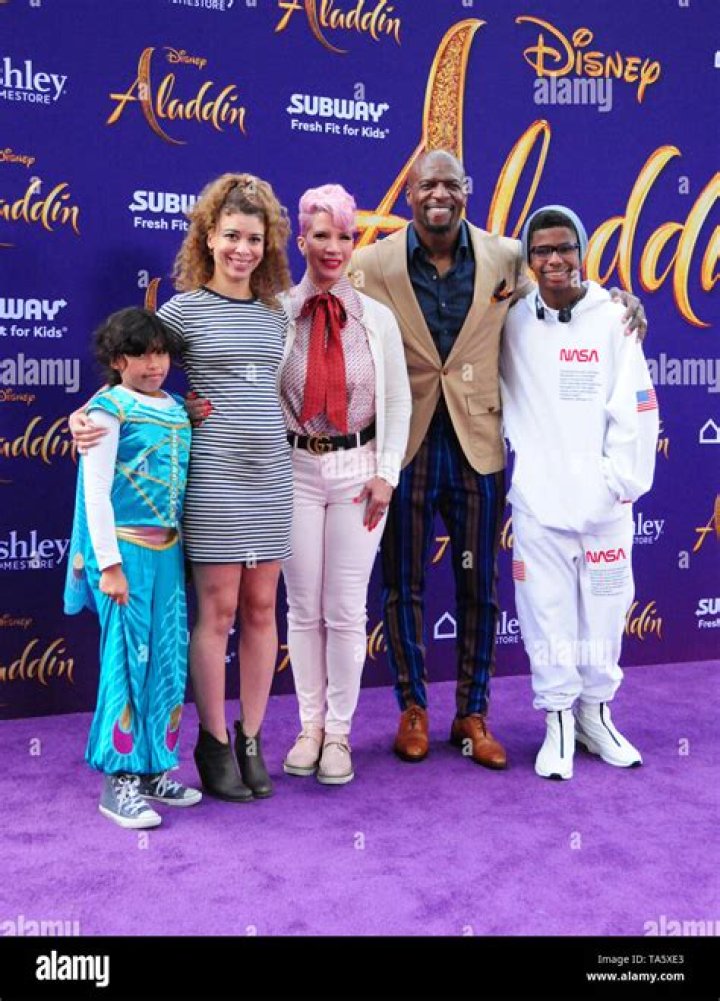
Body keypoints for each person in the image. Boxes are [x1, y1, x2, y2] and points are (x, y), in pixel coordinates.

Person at [349, 149, 647, 769]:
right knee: (402, 583)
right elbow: (328, 310)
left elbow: (567, 289)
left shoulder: (508, 256)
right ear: (410, 193)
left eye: (450, 184)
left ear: (467, 189)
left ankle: (473, 712)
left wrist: (619, 300)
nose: (439, 194)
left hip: (477, 444)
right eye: (427, 185)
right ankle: (413, 708)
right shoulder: (372, 263)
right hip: (405, 444)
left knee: (479, 585)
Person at [70, 174, 293, 803]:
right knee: (217, 613)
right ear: (208, 237)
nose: (242, 249)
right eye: (232, 236)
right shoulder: (182, 311)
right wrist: (83, 415)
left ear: (269, 245)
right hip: (214, 478)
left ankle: (252, 739)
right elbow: (129, 380)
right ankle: (213, 742)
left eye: (254, 239)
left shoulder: (277, 312)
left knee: (262, 610)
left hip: (272, 477)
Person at [500, 205, 658, 780]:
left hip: (605, 509)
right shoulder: (512, 321)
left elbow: (637, 409)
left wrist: (617, 485)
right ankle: (559, 720)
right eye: (541, 250)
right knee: (546, 618)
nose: (554, 259)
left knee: (606, 616)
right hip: (538, 507)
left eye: (564, 247)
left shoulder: (614, 317)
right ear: (529, 259)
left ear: (582, 251)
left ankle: (596, 715)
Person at [279, 184, 411, 784]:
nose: (334, 247)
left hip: (359, 472)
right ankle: (308, 727)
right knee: (303, 607)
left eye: (345, 236)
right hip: (295, 472)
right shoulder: (279, 312)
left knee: (345, 608)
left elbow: (398, 401)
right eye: (322, 235)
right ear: (301, 240)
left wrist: (387, 472)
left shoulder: (376, 318)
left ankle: (339, 733)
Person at [64, 307, 201, 828]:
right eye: (141, 355)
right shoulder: (106, 411)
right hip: (125, 552)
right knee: (125, 661)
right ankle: (117, 782)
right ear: (118, 360)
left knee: (167, 659)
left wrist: (196, 411)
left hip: (169, 554)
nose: (154, 364)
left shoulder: (175, 406)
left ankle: (153, 769)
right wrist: (110, 566)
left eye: (161, 353)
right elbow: (96, 492)